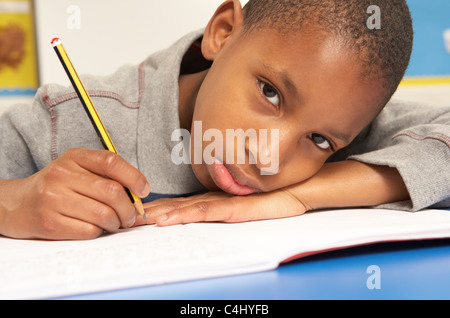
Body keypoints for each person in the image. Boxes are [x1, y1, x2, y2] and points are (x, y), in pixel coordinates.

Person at [0, 0, 448, 240]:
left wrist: (301, 197)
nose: (268, 158)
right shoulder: (69, 120)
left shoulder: (345, 127)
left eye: (318, 140)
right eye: (270, 92)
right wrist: (13, 202)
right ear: (224, 33)